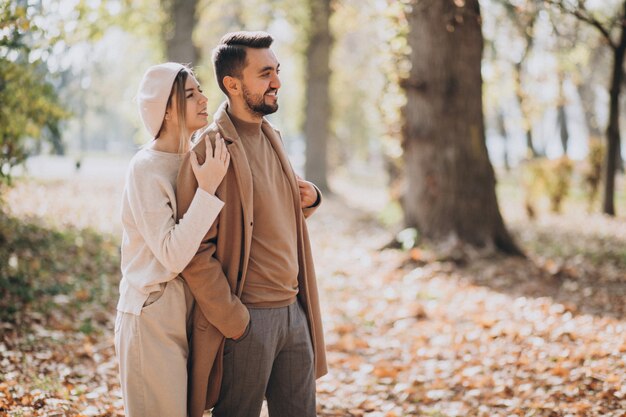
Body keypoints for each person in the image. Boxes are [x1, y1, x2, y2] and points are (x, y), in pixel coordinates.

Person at [175, 31, 327, 417]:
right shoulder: (209, 148)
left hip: (295, 311)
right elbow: (194, 249)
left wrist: (309, 199)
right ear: (232, 83)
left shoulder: (272, 137)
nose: (277, 82)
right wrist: (235, 320)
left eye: (276, 71)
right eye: (265, 74)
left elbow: (262, 216)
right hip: (248, 320)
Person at [114, 62, 231, 417]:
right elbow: (170, 254)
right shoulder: (146, 167)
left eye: (200, 90)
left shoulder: (198, 155)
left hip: (192, 310)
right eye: (190, 94)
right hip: (151, 312)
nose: (203, 98)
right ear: (164, 109)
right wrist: (207, 190)